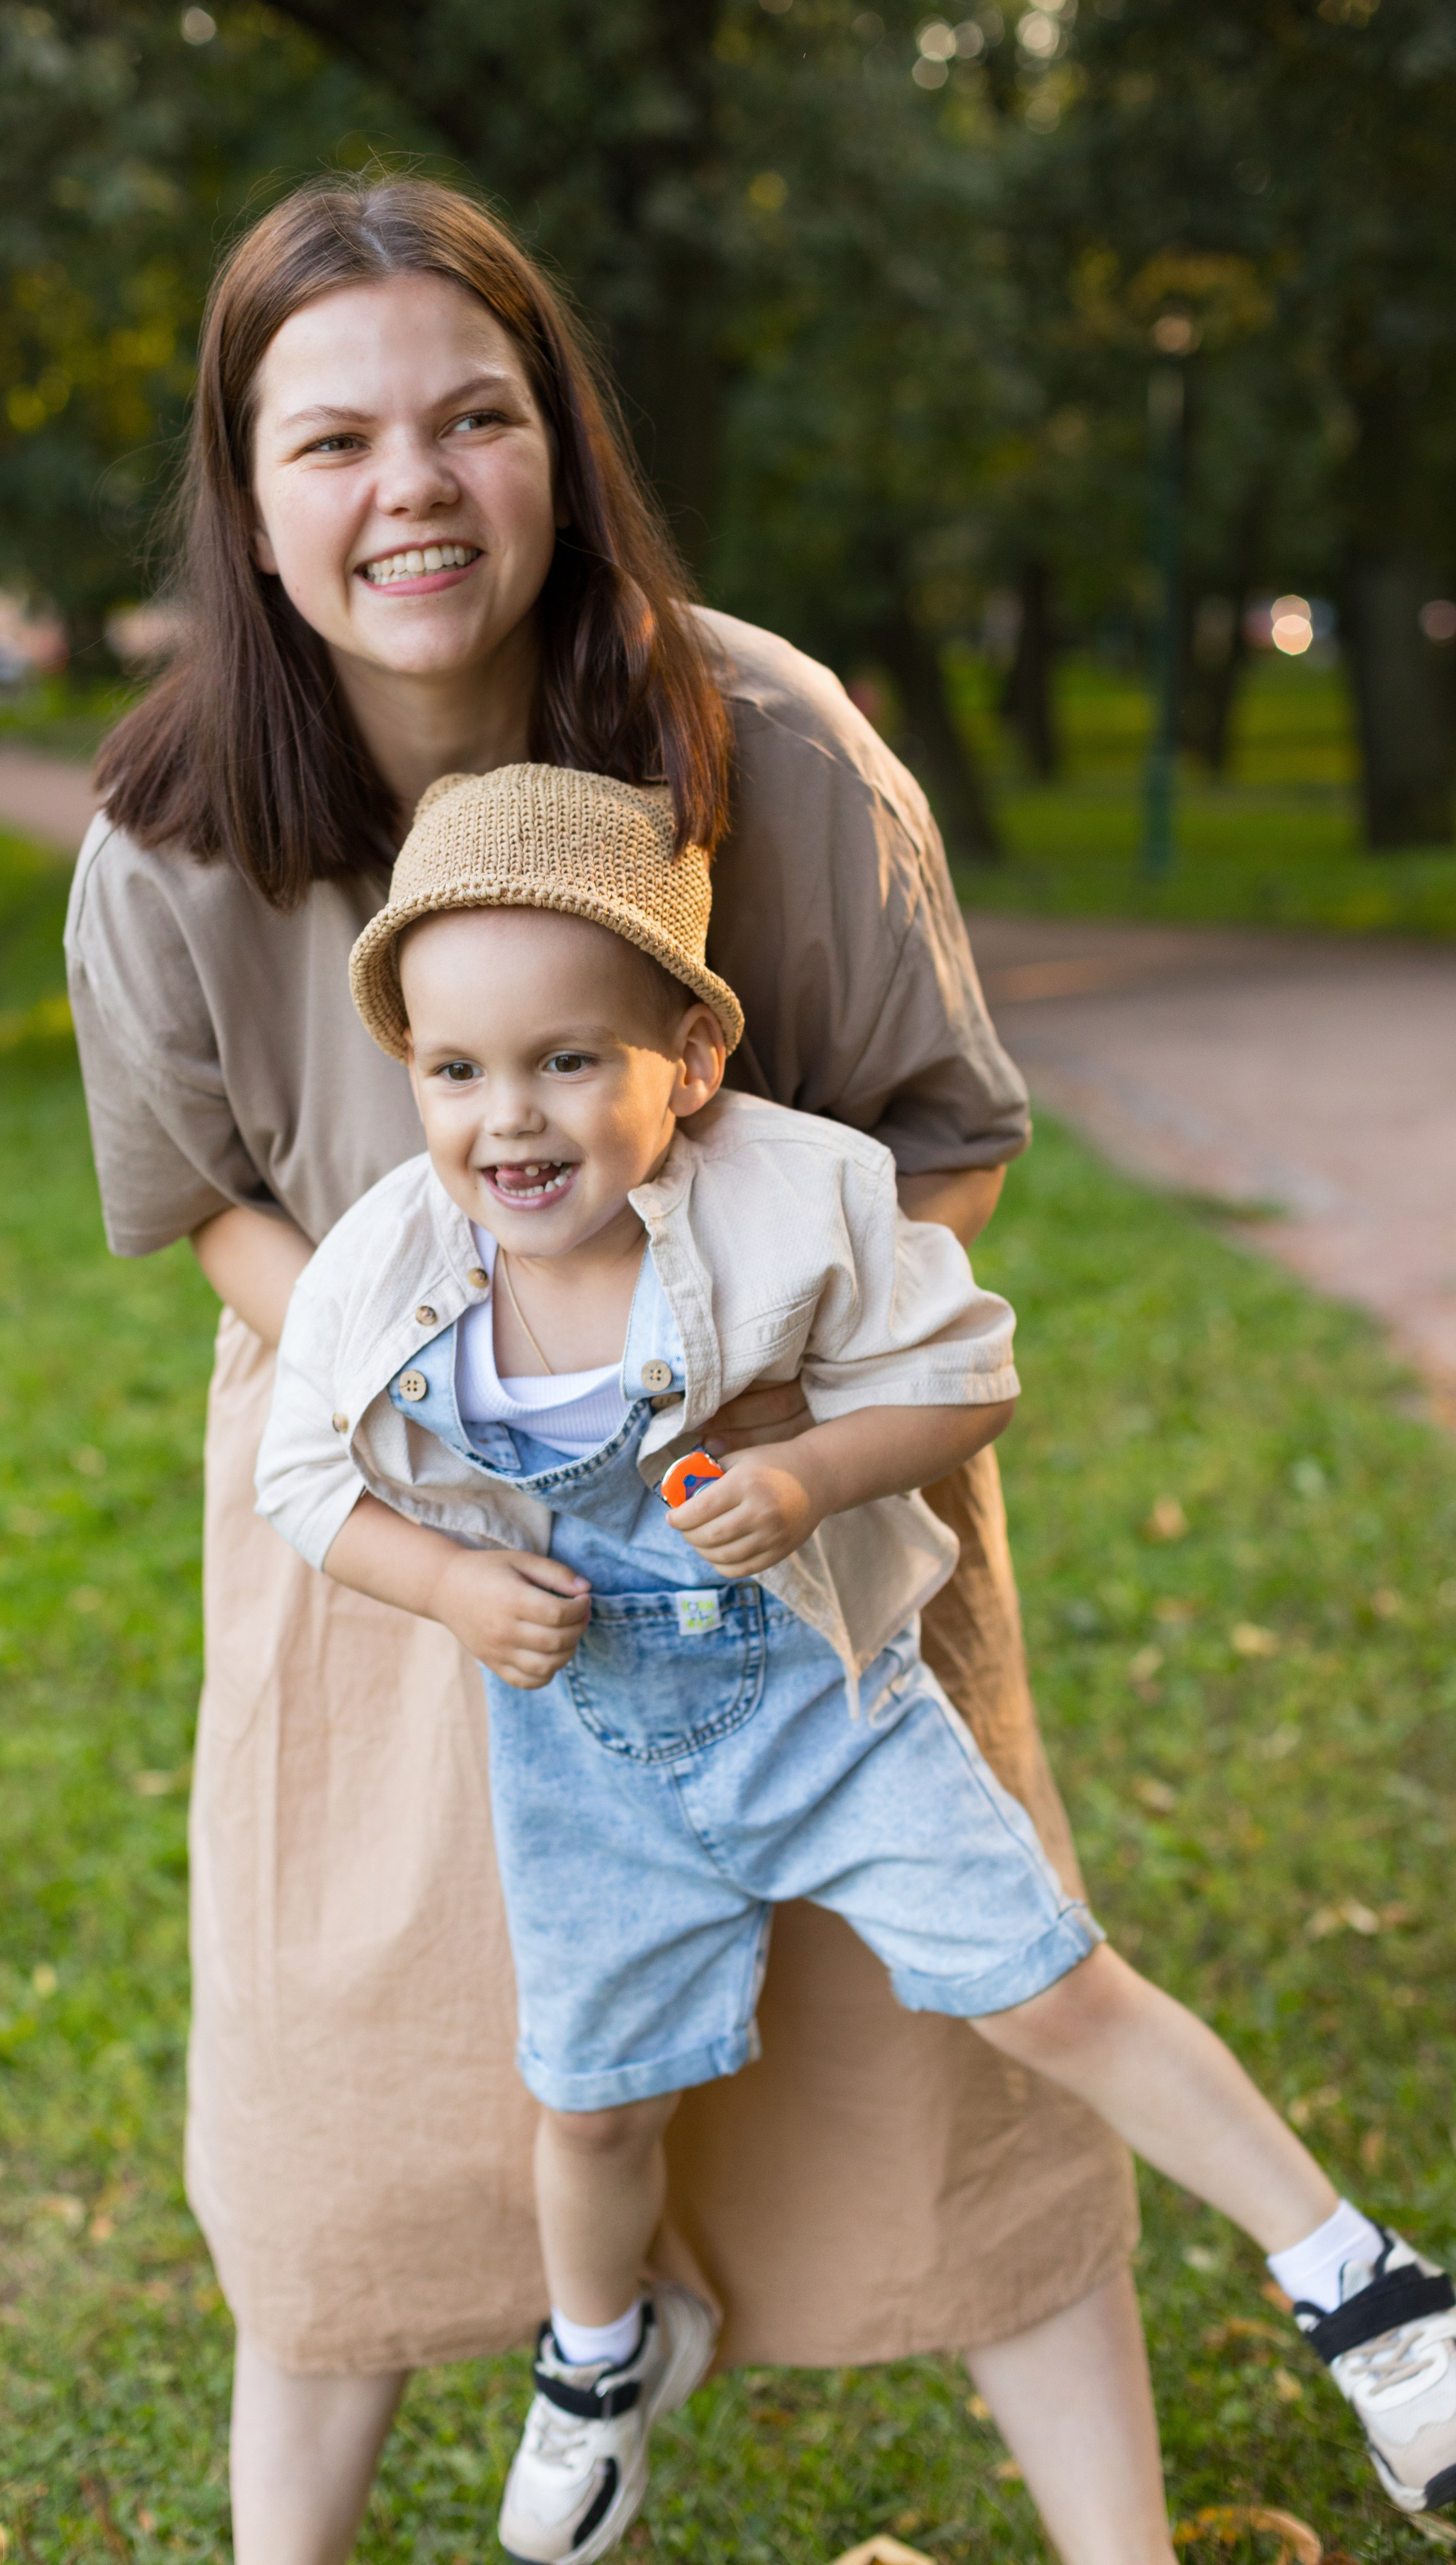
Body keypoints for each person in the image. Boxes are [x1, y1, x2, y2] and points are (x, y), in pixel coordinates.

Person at [69, 172, 1182, 2565]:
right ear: (249, 505)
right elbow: (201, 1207)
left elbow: (945, 1141)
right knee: (348, 2073)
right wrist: (424, 1396)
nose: (414, 491)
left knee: (937, 2032)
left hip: (776, 1499)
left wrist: (750, 1396)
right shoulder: (168, 836)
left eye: (475, 417)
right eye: (333, 443)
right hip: (400, 1520)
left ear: (559, 441)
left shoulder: (765, 738)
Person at [253, 758, 1456, 2561]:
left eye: (570, 1059)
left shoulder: (793, 1194)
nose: (512, 1119)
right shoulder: (389, 1261)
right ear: (411, 1072)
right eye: (457, 1071)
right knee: (588, 2109)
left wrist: (808, 1471)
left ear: (694, 1063)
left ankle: (1366, 2288)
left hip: (826, 1707)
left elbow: (965, 1375)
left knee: (1048, 1984)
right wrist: (439, 1582)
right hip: (586, 1760)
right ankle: (601, 2357)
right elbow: (299, 1476)